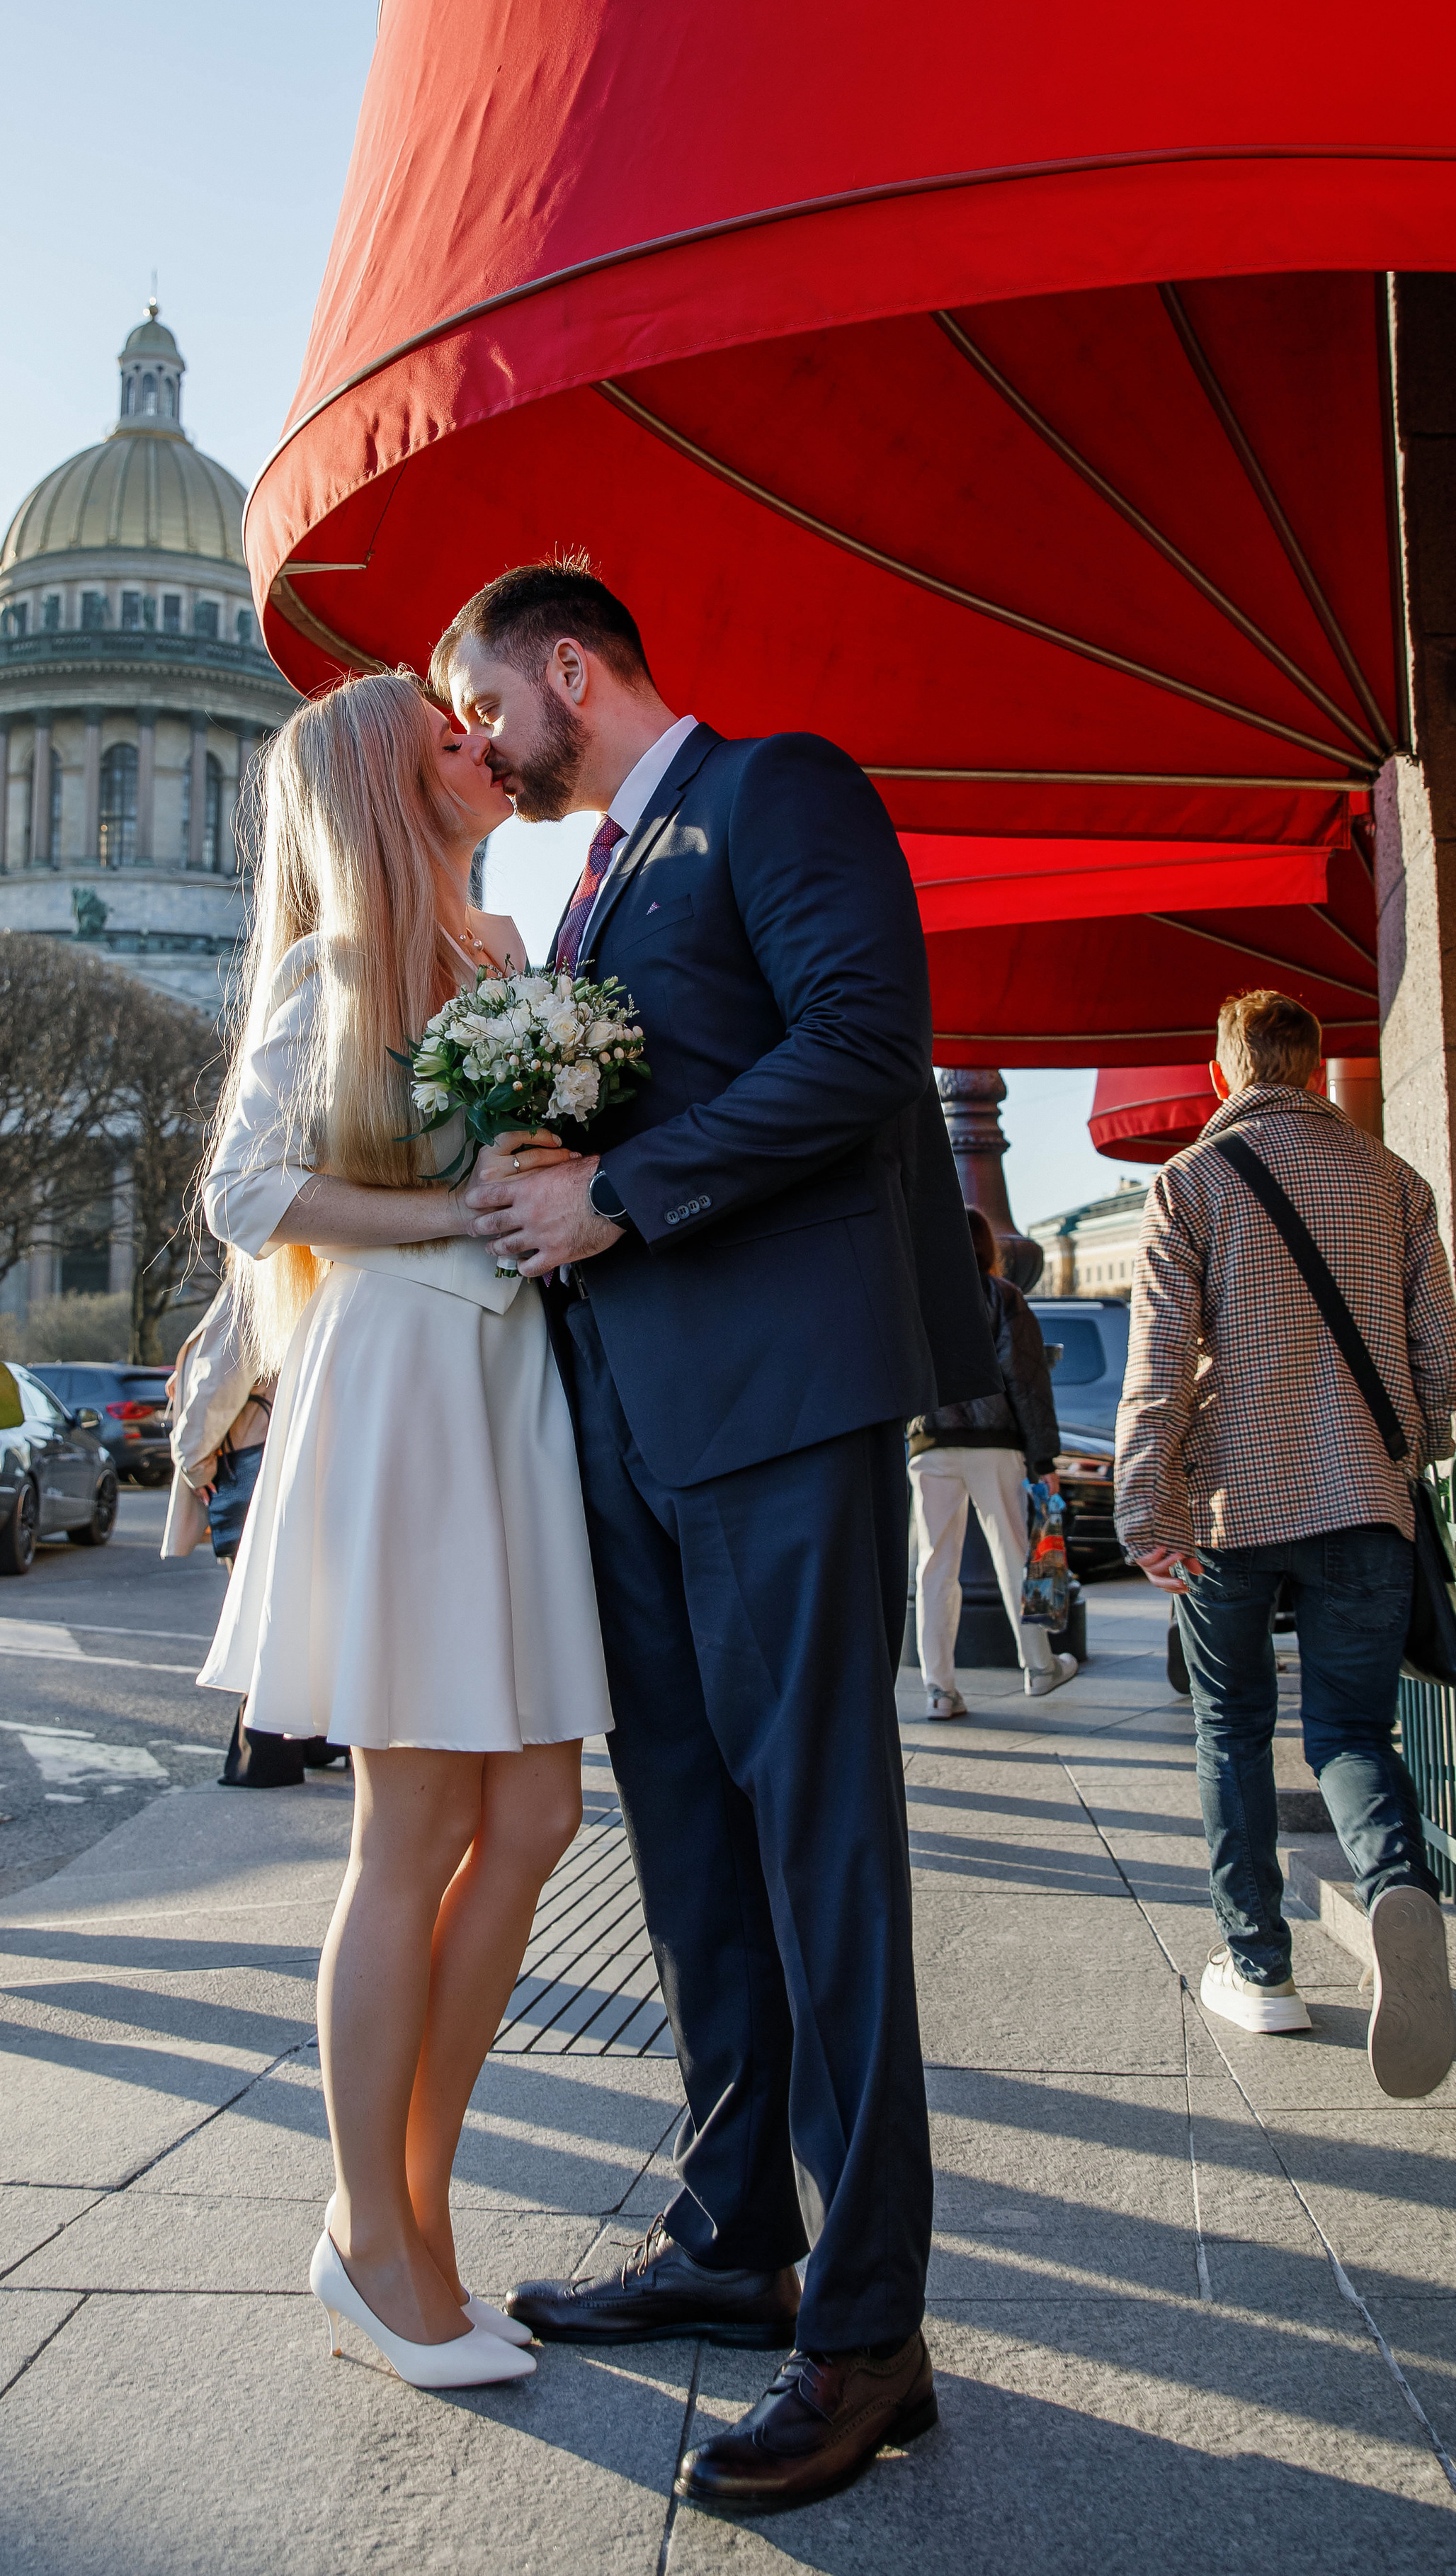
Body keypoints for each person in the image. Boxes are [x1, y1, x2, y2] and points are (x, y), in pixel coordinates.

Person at [437, 556, 996, 2513]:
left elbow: (857, 1050)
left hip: (774, 1408)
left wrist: (622, 1193)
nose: (480, 746)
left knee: (816, 1852)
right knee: (690, 1851)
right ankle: (731, 2237)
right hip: (630, 1430)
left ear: (568, 669)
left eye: (487, 708)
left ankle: (868, 2339)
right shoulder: (592, 882)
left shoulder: (776, 791)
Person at [196, 669, 613, 2392]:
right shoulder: (331, 972)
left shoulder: (506, 950)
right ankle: (377, 2238)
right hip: (402, 1378)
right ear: (381, 779)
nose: (476, 734)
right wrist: (452, 1207)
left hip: (501, 1381)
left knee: (535, 1804)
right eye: (440, 727)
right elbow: (243, 1188)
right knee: (418, 1817)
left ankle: (417, 2214)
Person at [1114, 989, 1456, 2100]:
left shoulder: (1188, 1185)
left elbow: (1161, 1362)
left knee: (1230, 1728)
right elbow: (1447, 1357)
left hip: (1228, 1509)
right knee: (1354, 1729)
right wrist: (1407, 1445)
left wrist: (1144, 1506)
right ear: (1314, 1070)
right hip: (1365, 1497)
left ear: (1226, 1073)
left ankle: (1260, 1966)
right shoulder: (1395, 1183)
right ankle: (1396, 1886)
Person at [164, 1288, 342, 1788]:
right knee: (309, 1604)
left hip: (253, 1463)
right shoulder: (324, 1274)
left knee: (264, 1609)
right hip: (309, 1456)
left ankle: (262, 1757)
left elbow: (212, 1390)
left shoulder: (253, 1283)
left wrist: (196, 1468)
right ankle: (321, 1741)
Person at [908, 1206, 1078, 1718]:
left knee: (934, 1564)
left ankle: (939, 1690)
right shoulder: (1003, 1296)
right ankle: (1040, 1667)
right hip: (995, 1441)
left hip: (929, 1442)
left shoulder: (914, 1295)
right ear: (988, 1246)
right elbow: (1026, 1380)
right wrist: (1042, 1455)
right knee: (1013, 1554)